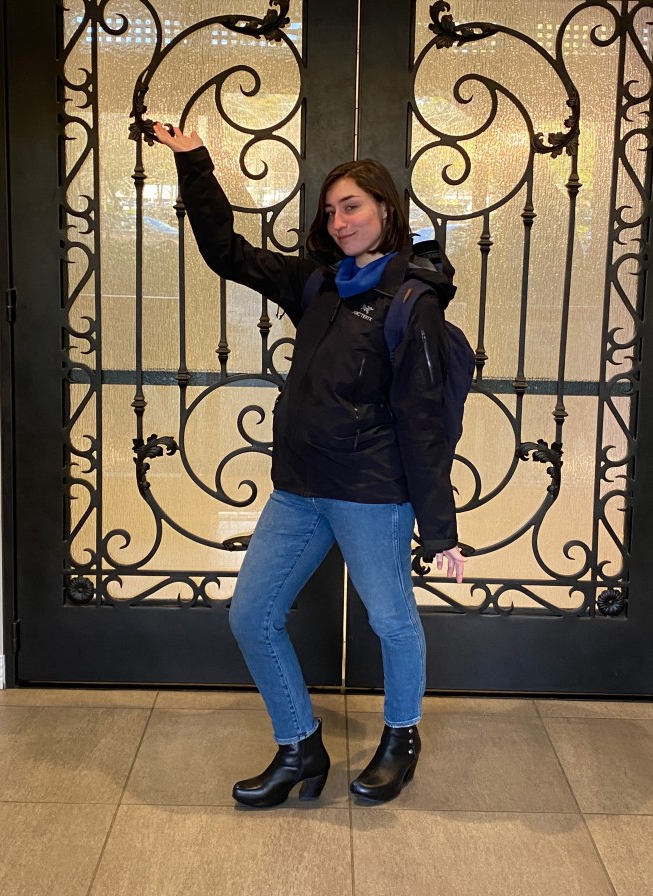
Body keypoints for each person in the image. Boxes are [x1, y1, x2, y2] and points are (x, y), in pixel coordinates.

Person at [153, 122, 467, 806]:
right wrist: (194, 163)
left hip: (370, 493)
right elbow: (226, 252)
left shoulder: (411, 301)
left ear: (385, 209)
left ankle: (401, 738)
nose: (340, 221)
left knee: (391, 621)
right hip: (299, 488)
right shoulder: (319, 283)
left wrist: (439, 528)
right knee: (252, 615)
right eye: (330, 211)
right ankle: (300, 746)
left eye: (352, 206)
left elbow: (423, 419)